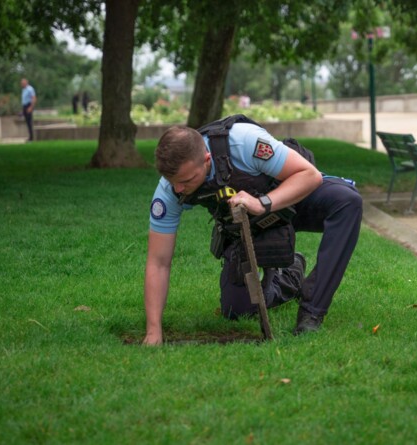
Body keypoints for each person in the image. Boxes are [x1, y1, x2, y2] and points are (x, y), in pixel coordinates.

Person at [143, 117, 363, 345]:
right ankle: (290, 274)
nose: (178, 189)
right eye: (173, 182)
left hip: (290, 202)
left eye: (187, 180)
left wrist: (262, 203)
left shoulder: (243, 142)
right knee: (236, 310)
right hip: (248, 228)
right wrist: (153, 331)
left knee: (348, 202)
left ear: (207, 160)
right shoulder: (170, 189)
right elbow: (158, 262)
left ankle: (312, 311)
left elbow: (310, 175)